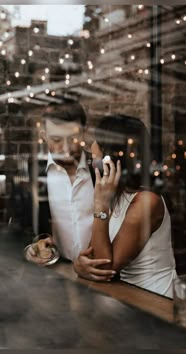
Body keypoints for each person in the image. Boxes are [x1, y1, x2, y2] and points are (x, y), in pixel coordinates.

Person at [73, 114, 178, 298]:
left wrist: (100, 206)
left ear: (110, 154)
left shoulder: (147, 201)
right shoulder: (114, 195)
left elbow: (104, 266)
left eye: (96, 148)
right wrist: (79, 265)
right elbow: (93, 257)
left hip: (156, 303)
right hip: (127, 296)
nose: (92, 154)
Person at [26, 102, 95, 263]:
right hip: (58, 274)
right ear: (43, 136)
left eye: (73, 139)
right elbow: (24, 227)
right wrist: (34, 247)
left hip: (101, 273)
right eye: (56, 139)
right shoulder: (34, 172)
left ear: (84, 133)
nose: (66, 149)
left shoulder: (99, 167)